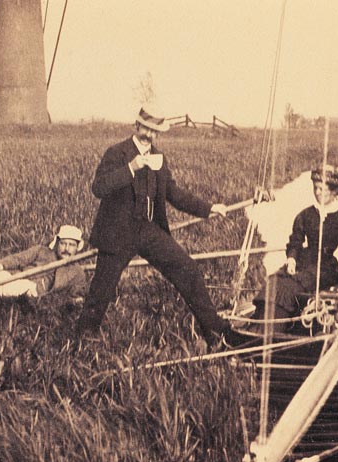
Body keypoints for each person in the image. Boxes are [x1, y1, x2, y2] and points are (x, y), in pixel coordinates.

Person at [75, 103, 243, 347]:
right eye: (147, 129)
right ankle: (84, 336)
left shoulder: (158, 158)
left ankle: (216, 331)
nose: (151, 136)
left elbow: (173, 192)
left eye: (156, 132)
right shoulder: (117, 153)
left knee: (188, 269)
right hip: (117, 232)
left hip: (147, 230)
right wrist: (131, 168)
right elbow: (98, 188)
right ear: (137, 125)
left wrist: (208, 209)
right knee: (101, 290)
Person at [253, 166, 338, 322]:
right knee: (275, 282)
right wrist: (292, 259)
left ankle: (276, 324)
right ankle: (263, 323)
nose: (317, 193)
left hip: (326, 266)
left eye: (322, 189)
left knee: (288, 287)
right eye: (315, 188)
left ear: (335, 191)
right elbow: (295, 241)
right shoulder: (305, 215)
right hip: (304, 259)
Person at [0, 225, 87, 298]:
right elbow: (19, 258)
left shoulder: (77, 271)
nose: (67, 249)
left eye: (71, 245)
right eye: (63, 244)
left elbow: (78, 291)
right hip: (14, 275)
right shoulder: (41, 250)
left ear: (77, 248)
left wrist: (76, 298)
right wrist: (0, 265)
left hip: (30, 288)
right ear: (57, 243)